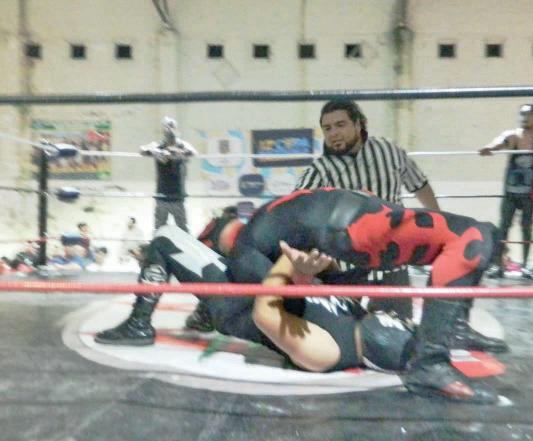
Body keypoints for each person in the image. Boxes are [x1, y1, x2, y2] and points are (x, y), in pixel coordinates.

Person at [96, 188, 503, 403]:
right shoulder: (356, 318)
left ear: (382, 353)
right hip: (268, 273)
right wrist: (316, 270)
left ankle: (139, 324)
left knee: (166, 238)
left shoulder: (330, 353)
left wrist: (291, 266)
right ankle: (203, 301)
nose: (399, 323)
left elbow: (266, 314)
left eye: (403, 335)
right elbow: (319, 289)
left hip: (239, 304)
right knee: (231, 237)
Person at [294, 99, 439, 321]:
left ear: (359, 124)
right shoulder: (320, 170)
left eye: (340, 125)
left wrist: (438, 223)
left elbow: (419, 184)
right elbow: (294, 207)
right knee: (344, 332)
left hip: (391, 263)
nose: (334, 133)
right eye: (327, 128)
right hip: (346, 268)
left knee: (399, 331)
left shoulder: (388, 151)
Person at [480, 104, 533, 273]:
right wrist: (490, 148)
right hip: (510, 192)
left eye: (528, 114)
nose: (524, 118)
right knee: (504, 226)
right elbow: (500, 141)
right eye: (522, 114)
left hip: (530, 194)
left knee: (527, 227)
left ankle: (525, 264)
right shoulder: (513, 135)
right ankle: (498, 264)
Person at [140, 116, 197, 232]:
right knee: (159, 230)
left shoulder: (182, 145)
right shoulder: (158, 145)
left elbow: (193, 152)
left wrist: (176, 152)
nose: (169, 130)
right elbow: (142, 150)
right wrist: (157, 152)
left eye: (171, 127)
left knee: (183, 229)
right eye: (167, 127)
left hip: (177, 196)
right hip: (162, 195)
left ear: (176, 129)